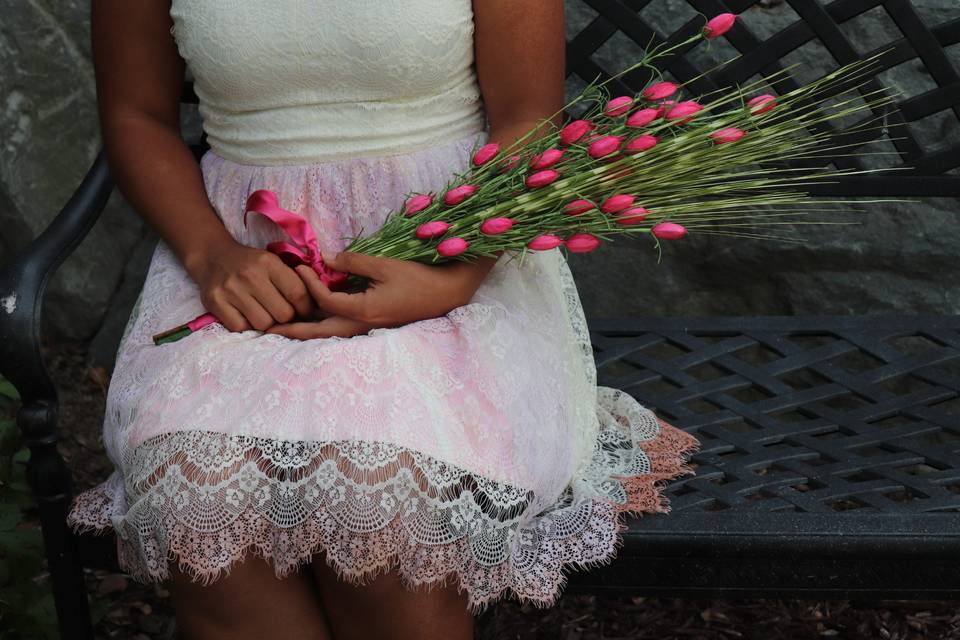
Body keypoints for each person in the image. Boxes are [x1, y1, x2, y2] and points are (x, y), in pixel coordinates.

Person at [66, 1, 701, 639]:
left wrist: (451, 276)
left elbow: (528, 117)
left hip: (454, 252)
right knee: (200, 505)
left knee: (383, 523)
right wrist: (211, 255)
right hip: (242, 265)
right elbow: (136, 114)